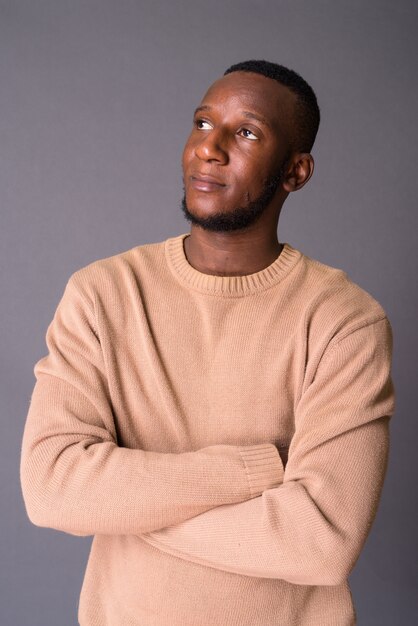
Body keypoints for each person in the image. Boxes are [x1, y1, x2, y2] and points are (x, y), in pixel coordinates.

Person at [20, 60, 395, 625]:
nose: (209, 149)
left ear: (296, 172)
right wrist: (257, 471)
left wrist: (125, 503)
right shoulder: (101, 294)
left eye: (246, 132)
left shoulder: (346, 320)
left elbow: (319, 542)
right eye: (201, 123)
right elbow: (52, 487)